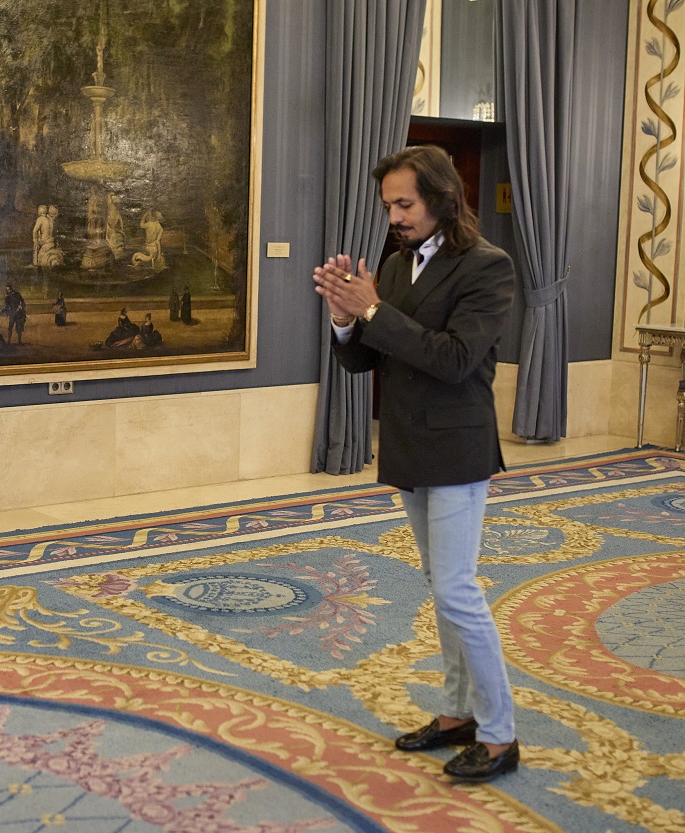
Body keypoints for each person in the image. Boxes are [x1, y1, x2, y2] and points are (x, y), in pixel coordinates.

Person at [313, 145, 518, 783]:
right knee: (441, 587)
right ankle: (458, 714)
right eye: (388, 206)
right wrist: (346, 321)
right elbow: (366, 362)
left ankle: (502, 734)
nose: (395, 216)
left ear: (440, 197)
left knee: (457, 590)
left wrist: (373, 310)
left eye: (405, 203)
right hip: (409, 444)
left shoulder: (488, 267)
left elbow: (455, 360)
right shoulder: (398, 267)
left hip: (457, 445)